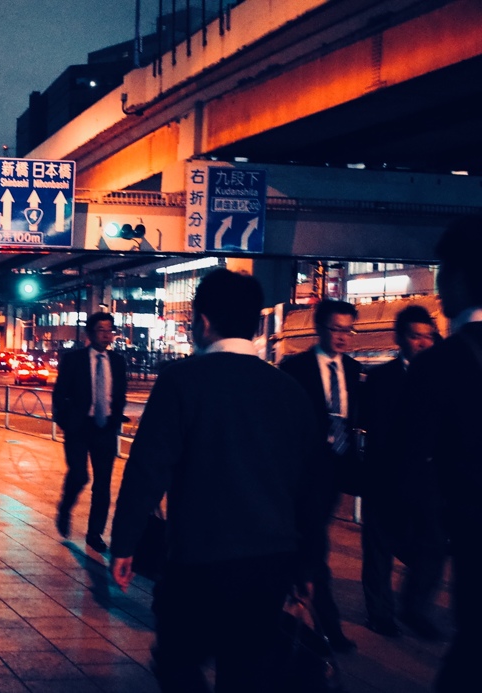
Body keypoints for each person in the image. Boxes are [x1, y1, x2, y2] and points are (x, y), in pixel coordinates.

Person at [110, 269, 324, 692]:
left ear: (204, 321)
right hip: (270, 562)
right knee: (247, 671)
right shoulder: (289, 390)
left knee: (176, 660)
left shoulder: (182, 381)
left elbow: (149, 468)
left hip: (198, 560)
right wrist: (308, 562)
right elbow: (311, 488)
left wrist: (125, 543)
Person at [402, 214, 482, 692]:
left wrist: (423, 552)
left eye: (443, 274)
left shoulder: (439, 367)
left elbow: (407, 471)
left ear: (464, 278)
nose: (440, 290)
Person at [278, 299, 362, 652]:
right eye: (335, 329)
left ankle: (292, 595)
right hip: (303, 472)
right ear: (319, 328)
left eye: (347, 330)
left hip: (336, 470)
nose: (342, 337)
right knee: (315, 546)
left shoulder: (354, 369)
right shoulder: (295, 367)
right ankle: (329, 628)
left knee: (305, 547)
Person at [360, 305, 444, 639]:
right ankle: (380, 614)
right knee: (378, 551)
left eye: (428, 336)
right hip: (387, 478)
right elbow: (376, 431)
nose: (423, 343)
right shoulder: (381, 379)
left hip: (430, 481)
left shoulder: (445, 379)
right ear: (399, 339)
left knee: (434, 547)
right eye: (415, 336)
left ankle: (416, 609)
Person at [52, 311, 127, 553]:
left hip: (105, 428)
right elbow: (59, 393)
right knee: (79, 474)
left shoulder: (118, 361)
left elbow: (120, 395)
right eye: (101, 330)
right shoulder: (74, 360)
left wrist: (115, 419)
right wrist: (65, 421)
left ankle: (95, 533)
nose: (106, 334)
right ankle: (65, 507)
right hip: (79, 427)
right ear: (90, 333)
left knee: (103, 484)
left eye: (109, 330)